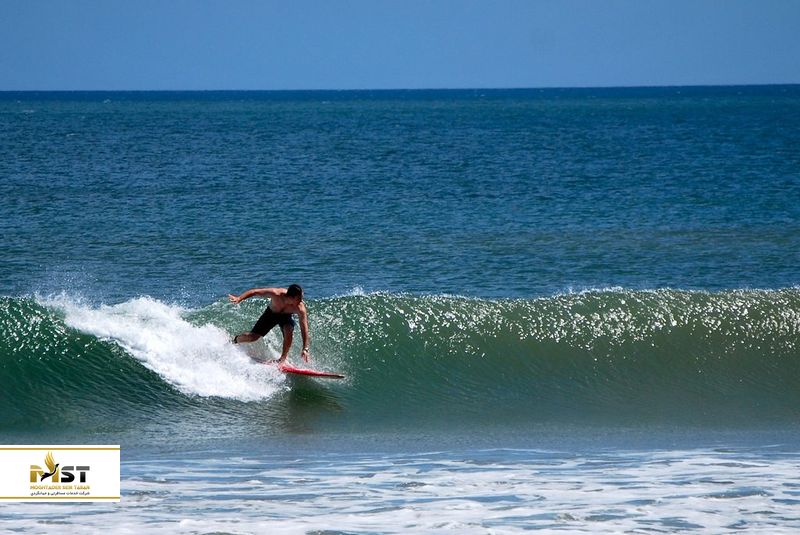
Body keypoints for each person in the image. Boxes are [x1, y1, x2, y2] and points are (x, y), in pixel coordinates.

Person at [228, 284, 310, 364]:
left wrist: (305, 348)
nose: (301, 301)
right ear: (291, 297)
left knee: (288, 330)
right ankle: (234, 340)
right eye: (299, 298)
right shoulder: (276, 294)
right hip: (270, 315)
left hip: (286, 317)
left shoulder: (300, 307)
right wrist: (239, 298)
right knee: (252, 337)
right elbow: (255, 292)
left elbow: (304, 328)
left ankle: (282, 359)